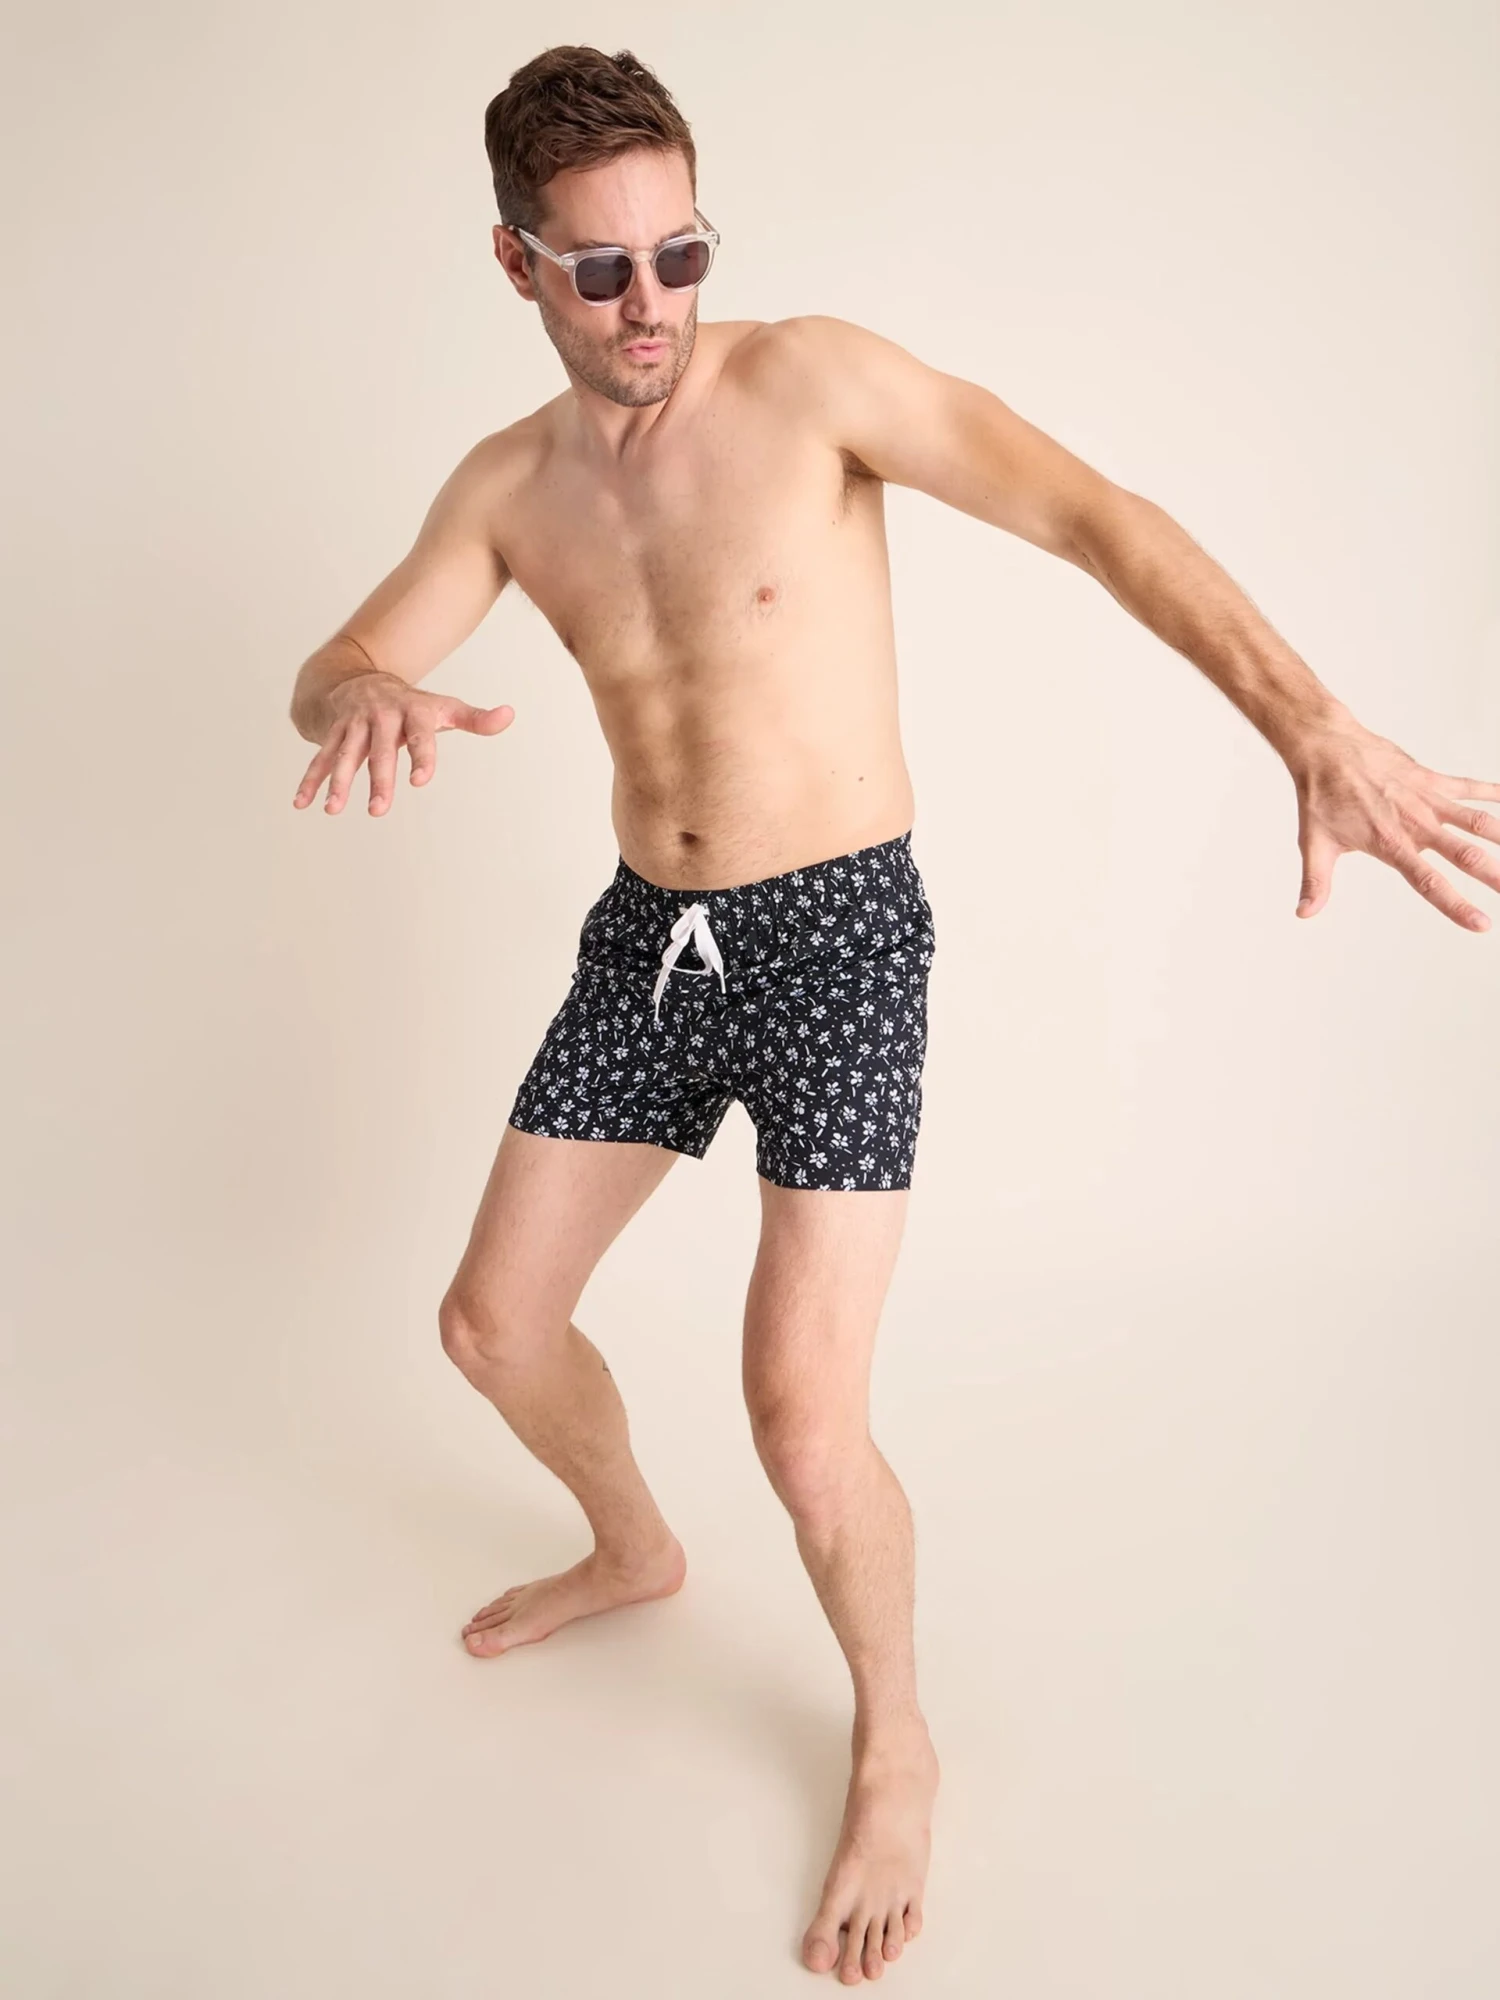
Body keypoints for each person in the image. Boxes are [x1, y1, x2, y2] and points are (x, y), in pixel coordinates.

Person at [287, 43, 1500, 1986]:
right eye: (600, 270)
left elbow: (1096, 515)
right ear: (516, 264)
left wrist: (1315, 726)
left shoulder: (811, 383)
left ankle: (898, 1736)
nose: (652, 305)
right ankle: (633, 1547)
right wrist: (353, 691)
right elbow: (344, 651)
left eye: (680, 252)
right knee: (488, 1326)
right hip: (651, 940)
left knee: (800, 1413)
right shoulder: (509, 488)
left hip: (840, 932)